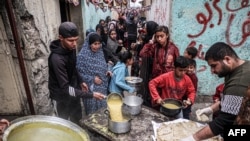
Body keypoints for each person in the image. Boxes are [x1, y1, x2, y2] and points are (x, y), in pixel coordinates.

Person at [181, 42, 250, 140]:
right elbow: (232, 100)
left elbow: (223, 122)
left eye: (214, 66)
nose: (212, 71)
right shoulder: (240, 67)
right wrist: (211, 109)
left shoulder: (238, 83)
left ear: (227, 59)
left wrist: (194, 138)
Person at [48, 22, 105, 124]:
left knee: (77, 119)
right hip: (61, 95)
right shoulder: (57, 59)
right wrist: (91, 95)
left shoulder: (71, 48)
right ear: (61, 38)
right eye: (71, 41)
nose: (74, 44)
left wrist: (81, 81)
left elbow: (73, 68)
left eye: (76, 40)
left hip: (74, 91)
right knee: (63, 122)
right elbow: (65, 88)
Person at [76, 32, 110, 115]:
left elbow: (103, 66)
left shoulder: (100, 53)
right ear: (89, 43)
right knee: (92, 113)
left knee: (102, 110)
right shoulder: (82, 56)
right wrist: (92, 79)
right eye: (95, 44)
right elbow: (78, 73)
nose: (97, 46)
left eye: (99, 44)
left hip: (102, 87)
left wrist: (107, 71)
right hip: (90, 89)